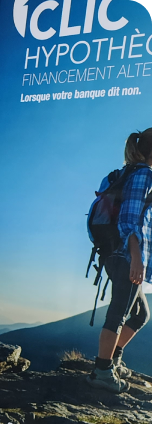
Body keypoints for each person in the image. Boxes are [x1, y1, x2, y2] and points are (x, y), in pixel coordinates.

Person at [88, 128, 152, 393]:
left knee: (140, 314)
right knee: (120, 312)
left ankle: (112, 360)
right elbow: (129, 219)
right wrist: (136, 257)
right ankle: (101, 372)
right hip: (126, 255)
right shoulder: (144, 175)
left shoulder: (118, 175)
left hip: (112, 252)